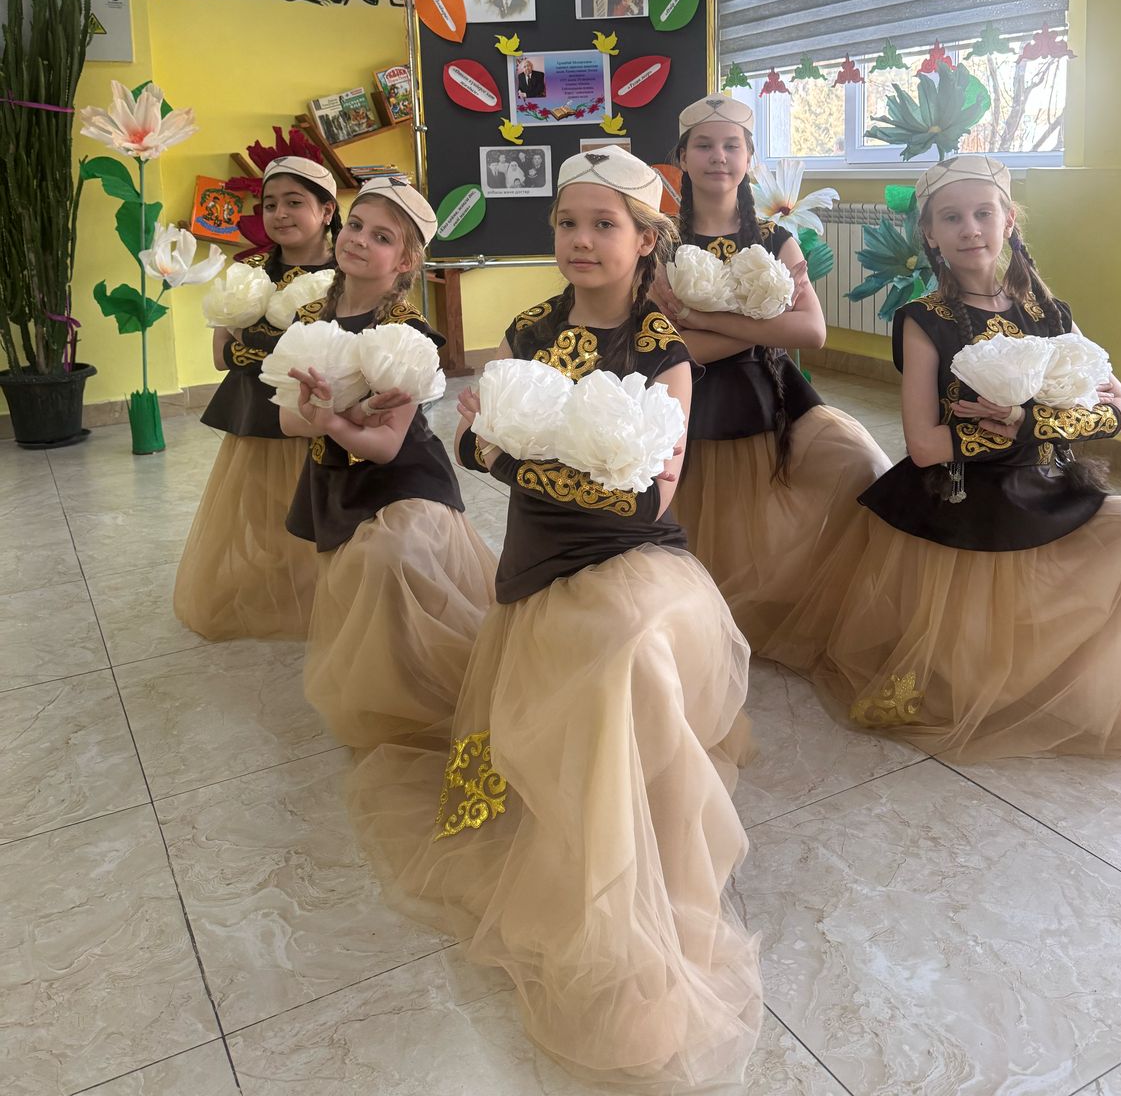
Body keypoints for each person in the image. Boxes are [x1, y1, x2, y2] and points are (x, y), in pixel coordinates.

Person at [347, 147, 761, 1092]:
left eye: (604, 224)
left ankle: (635, 863)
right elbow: (470, 438)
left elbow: (647, 500)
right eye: (568, 223)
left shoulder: (663, 350)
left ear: (645, 240)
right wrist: (508, 454)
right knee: (583, 667)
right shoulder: (530, 328)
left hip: (635, 559)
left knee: (627, 651)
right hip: (540, 563)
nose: (581, 240)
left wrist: (513, 457)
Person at [809, 152, 1121, 761]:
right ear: (930, 235)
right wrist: (1015, 431)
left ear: (1008, 220)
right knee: (968, 669)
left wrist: (1030, 423)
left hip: (1049, 486)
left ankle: (1086, 672)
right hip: (968, 501)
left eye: (983, 213)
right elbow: (925, 445)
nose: (970, 229)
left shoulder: (1050, 314)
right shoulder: (923, 320)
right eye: (951, 217)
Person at [655, 95, 890, 666]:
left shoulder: (776, 239)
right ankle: (710, 621)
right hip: (694, 395)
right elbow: (671, 348)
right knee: (716, 521)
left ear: (750, 159)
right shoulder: (659, 243)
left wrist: (706, 320)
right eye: (703, 146)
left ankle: (803, 597)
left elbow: (812, 331)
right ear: (683, 157)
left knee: (861, 462)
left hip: (771, 390)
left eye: (731, 146)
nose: (718, 157)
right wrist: (761, 327)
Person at [281, 177, 496, 750]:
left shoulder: (405, 333)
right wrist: (330, 416)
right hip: (335, 476)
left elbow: (385, 445)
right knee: (362, 591)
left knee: (394, 561)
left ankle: (441, 694)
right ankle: (391, 688)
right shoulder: (310, 316)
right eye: (355, 225)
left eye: (381, 237)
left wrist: (331, 419)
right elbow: (287, 419)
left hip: (402, 477)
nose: (358, 239)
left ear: (404, 262)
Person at [174, 155, 339, 641]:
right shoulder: (248, 271)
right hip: (256, 414)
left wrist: (254, 344)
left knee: (322, 508)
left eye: (294, 202)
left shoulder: (346, 274)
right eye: (270, 204)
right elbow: (220, 355)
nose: (280, 213)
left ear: (327, 210)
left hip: (318, 417)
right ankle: (286, 593)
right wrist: (274, 349)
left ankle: (328, 595)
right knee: (265, 512)